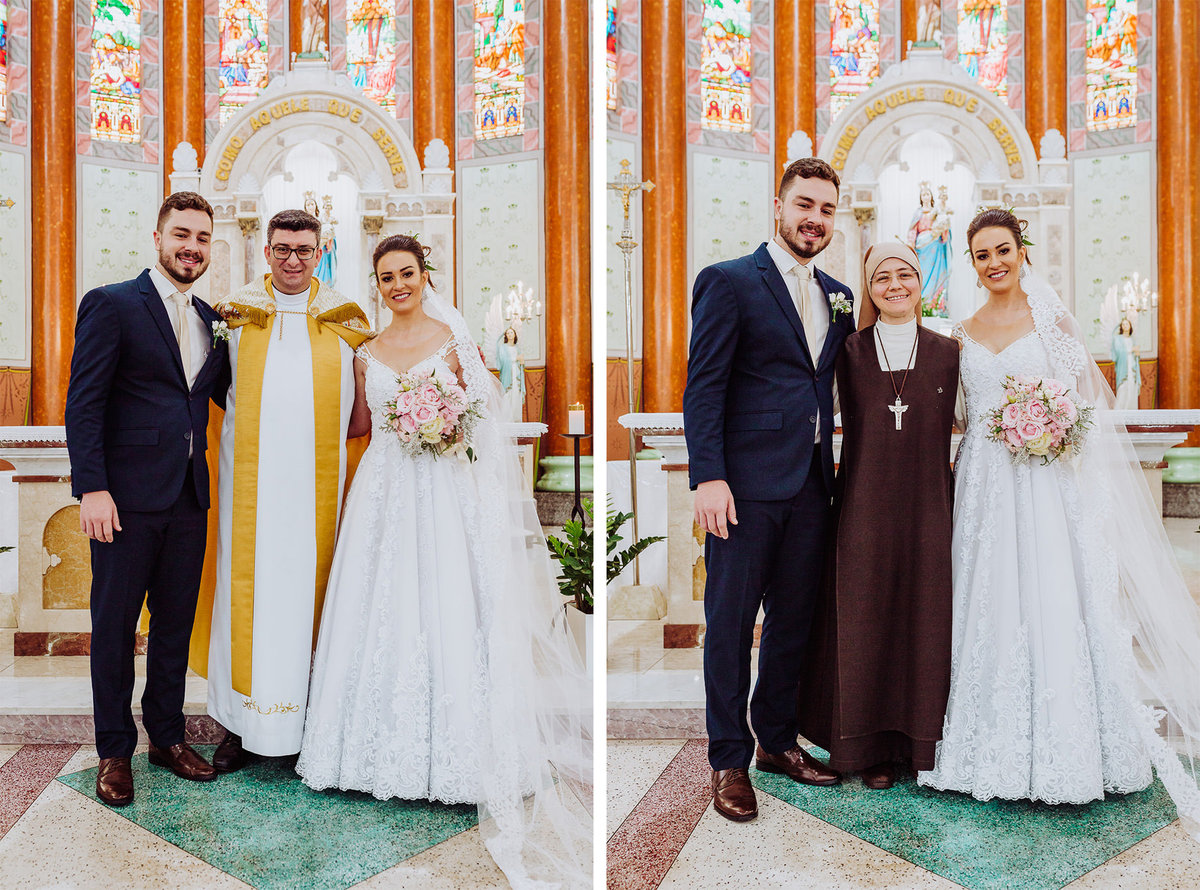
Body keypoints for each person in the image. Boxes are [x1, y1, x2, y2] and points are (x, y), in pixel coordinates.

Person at [295, 235, 592, 887]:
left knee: (445, 607)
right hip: (381, 494)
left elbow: (480, 419)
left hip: (442, 490)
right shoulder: (363, 351)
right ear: (374, 284)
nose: (397, 284)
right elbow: (356, 429)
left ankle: (459, 760)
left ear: (424, 276)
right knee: (381, 609)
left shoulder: (455, 341)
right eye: (386, 276)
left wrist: (443, 425)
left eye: (407, 273)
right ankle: (369, 756)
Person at [918, 209, 1200, 842]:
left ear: (1022, 251)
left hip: (1047, 481)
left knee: (1052, 599)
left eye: (1002, 251)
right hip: (984, 485)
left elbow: (1086, 404)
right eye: (982, 255)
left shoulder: (1056, 322)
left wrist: (1051, 423)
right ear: (970, 262)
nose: (994, 263)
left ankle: (1070, 751)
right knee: (987, 601)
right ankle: (981, 747)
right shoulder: (958, 335)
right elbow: (960, 416)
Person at [683, 157, 856, 823]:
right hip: (745, 488)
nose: (815, 218)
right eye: (804, 204)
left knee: (794, 621)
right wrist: (710, 476)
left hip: (813, 483)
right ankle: (729, 757)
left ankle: (776, 742)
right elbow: (705, 385)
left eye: (827, 209)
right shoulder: (729, 281)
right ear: (778, 207)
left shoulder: (839, 294)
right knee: (729, 624)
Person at [190, 208, 372, 772]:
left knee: (314, 601)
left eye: (304, 250)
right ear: (265, 252)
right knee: (245, 601)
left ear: (320, 253)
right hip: (251, 500)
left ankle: (317, 724)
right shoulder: (234, 318)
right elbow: (206, 401)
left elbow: (362, 417)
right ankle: (241, 726)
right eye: (282, 249)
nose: (293, 259)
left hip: (321, 498)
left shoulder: (348, 322)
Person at [65, 192, 231, 806]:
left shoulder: (214, 318)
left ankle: (166, 735)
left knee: (175, 625)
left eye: (203, 238)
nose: (192, 247)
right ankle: (114, 749)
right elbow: (84, 404)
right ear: (158, 238)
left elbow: (230, 397)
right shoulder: (111, 304)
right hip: (125, 500)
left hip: (189, 496)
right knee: (113, 627)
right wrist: (93, 488)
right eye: (182, 234)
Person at [797, 242, 958, 790]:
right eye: (882, 277)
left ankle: (916, 744)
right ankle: (866, 749)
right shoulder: (847, 351)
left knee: (923, 622)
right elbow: (813, 415)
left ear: (922, 282)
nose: (894, 285)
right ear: (868, 289)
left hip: (929, 510)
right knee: (864, 622)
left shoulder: (950, 350)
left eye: (905, 274)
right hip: (863, 507)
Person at [906, 183, 951, 316]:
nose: (926, 196)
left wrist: (943, 230)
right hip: (922, 246)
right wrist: (911, 244)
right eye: (923, 194)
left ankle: (936, 304)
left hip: (936, 246)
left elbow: (944, 229)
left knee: (938, 274)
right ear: (920, 197)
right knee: (922, 276)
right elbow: (913, 230)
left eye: (927, 194)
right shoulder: (918, 213)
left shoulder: (937, 211)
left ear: (931, 196)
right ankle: (923, 304)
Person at [496, 325, 525, 422]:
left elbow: (521, 363)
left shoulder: (517, 348)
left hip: (516, 374)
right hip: (508, 374)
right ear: (505, 335)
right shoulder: (503, 348)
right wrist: (515, 359)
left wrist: (521, 363)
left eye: (511, 332)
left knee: (516, 394)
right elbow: (503, 361)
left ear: (515, 334)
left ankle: (516, 418)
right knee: (508, 395)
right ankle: (507, 420)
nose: (510, 334)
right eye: (508, 333)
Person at [1111, 317, 1140, 409]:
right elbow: (1118, 352)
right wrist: (1131, 350)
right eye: (1123, 324)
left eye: (1127, 324)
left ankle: (1131, 412)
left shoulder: (1132, 339)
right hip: (1123, 367)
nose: (1125, 326)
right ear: (1121, 327)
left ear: (1130, 326)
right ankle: (1120, 413)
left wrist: (1137, 354)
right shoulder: (1118, 339)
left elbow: (1136, 355)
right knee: (1123, 388)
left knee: (1132, 387)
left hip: (1132, 367)